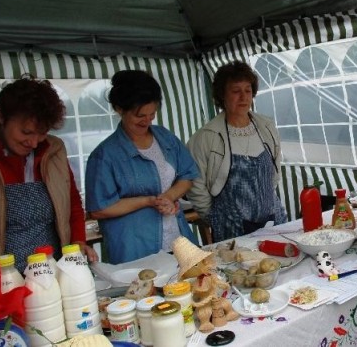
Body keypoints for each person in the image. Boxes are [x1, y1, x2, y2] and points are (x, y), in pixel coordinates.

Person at [0, 75, 97, 276]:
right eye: (26, 132)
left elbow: (72, 203)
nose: (33, 143)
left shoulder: (53, 150)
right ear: (1, 116)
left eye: (41, 133)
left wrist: (78, 241)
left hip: (52, 271)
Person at [85, 70, 200, 264]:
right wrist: (147, 201)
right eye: (140, 115)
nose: (147, 121)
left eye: (152, 114)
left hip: (178, 240)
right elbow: (99, 208)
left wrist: (170, 196)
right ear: (119, 109)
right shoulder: (105, 155)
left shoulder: (165, 138)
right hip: (133, 248)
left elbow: (188, 174)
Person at [186, 61, 287, 243]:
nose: (243, 97)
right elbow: (195, 184)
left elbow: (274, 173)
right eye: (235, 91)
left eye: (248, 90)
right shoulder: (206, 137)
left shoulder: (266, 127)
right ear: (222, 95)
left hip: (273, 221)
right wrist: (215, 218)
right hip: (230, 229)